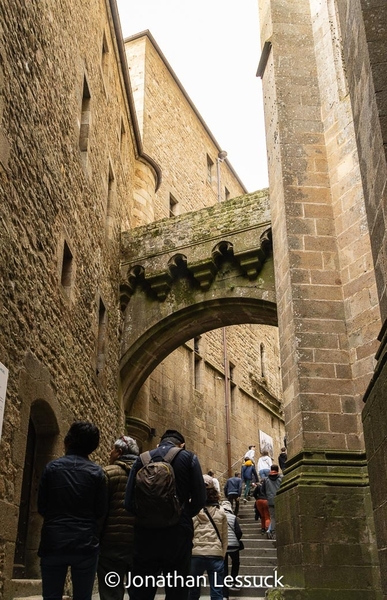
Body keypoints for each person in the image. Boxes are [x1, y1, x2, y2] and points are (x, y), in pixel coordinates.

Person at [124, 429, 206, 600]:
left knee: (141, 589)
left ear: (158, 444)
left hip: (145, 534)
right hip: (177, 534)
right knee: (177, 588)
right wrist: (182, 514)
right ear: (181, 445)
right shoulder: (189, 458)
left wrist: (145, 517)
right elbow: (200, 499)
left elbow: (128, 503)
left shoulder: (142, 459)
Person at [38, 420, 108, 600]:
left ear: (68, 440)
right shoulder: (97, 473)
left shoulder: (51, 469)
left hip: (54, 541)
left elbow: (42, 506)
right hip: (85, 543)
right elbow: (100, 511)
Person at [98, 435, 140, 600]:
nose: (110, 452)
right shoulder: (147, 474)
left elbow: (100, 512)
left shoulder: (108, 473)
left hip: (111, 544)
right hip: (139, 542)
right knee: (138, 592)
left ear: (119, 452)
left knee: (110, 593)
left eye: (112, 449)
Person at [189, 475, 228, 600]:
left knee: (193, 592)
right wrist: (222, 554)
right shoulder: (221, 511)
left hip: (195, 554)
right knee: (217, 592)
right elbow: (224, 536)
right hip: (215, 554)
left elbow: (188, 533)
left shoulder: (191, 511)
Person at [221, 500, 243, 598]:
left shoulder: (219, 516)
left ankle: (225, 592)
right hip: (234, 545)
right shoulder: (233, 517)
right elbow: (238, 532)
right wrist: (236, 539)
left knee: (224, 567)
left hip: (223, 546)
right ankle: (234, 580)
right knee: (236, 562)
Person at [261, 464, 283, 538]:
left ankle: (270, 530)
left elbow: (262, 490)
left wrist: (267, 496)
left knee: (273, 517)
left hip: (270, 500)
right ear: (278, 470)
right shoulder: (281, 478)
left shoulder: (266, 479)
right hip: (280, 499)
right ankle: (274, 531)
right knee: (280, 516)